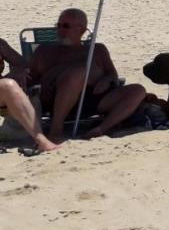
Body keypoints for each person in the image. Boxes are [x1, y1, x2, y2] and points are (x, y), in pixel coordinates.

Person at [28, 8, 147, 142]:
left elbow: (112, 74)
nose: (60, 30)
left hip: (95, 98)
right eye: (58, 25)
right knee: (77, 73)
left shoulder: (97, 50)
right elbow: (30, 79)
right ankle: (56, 129)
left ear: (82, 30)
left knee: (138, 90)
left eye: (66, 26)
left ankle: (101, 129)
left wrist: (106, 80)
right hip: (56, 99)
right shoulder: (44, 51)